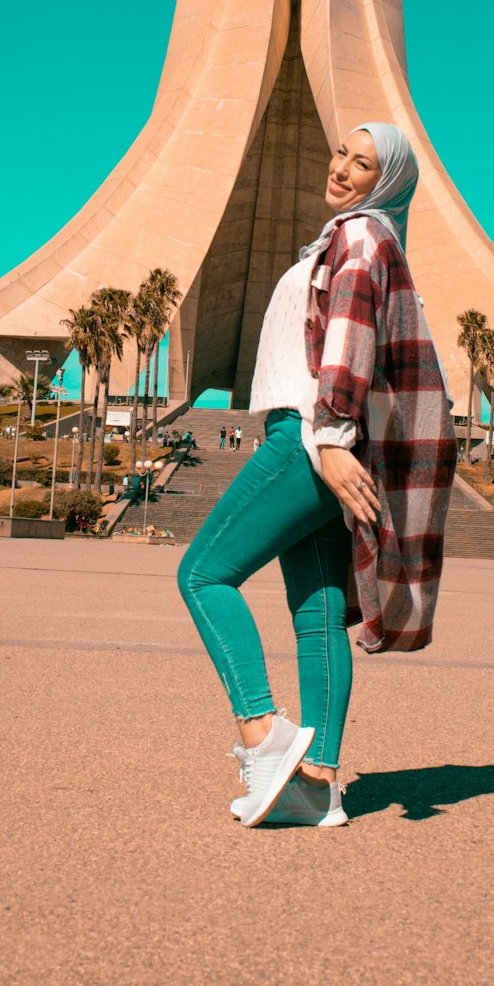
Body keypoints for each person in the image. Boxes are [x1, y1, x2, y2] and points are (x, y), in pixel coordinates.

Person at [178, 124, 456, 828]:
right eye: (342, 153)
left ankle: (262, 732)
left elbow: (347, 340)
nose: (342, 169)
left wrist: (330, 440)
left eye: (363, 164)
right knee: (317, 619)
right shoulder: (359, 236)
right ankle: (319, 786)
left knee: (203, 576)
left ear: (384, 181)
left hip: (307, 436)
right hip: (317, 436)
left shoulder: (360, 238)